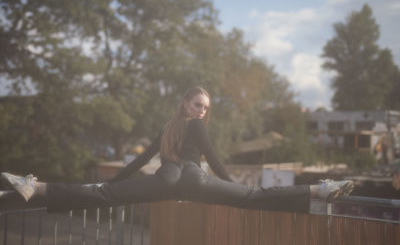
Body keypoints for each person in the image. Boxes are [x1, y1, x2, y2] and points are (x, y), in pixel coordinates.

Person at [1, 86, 354, 213]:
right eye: (197, 104)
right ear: (185, 103)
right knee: (253, 194)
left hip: (165, 180)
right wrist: (234, 190)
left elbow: (139, 161)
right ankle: (320, 190)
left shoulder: (166, 128)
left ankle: (35, 187)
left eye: (205, 108)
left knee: (105, 193)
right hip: (193, 179)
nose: (201, 111)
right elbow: (214, 160)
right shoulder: (194, 127)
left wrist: (118, 181)